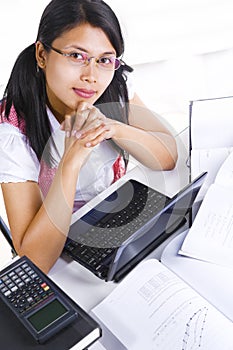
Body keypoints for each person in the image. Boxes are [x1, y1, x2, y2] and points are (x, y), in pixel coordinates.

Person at [0, 0, 177, 273]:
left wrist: (113, 128)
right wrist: (70, 162)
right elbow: (34, 261)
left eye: (104, 60)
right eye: (76, 56)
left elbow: (168, 156)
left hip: (112, 220)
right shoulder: (13, 131)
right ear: (42, 55)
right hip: (60, 252)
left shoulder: (115, 85)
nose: (91, 76)